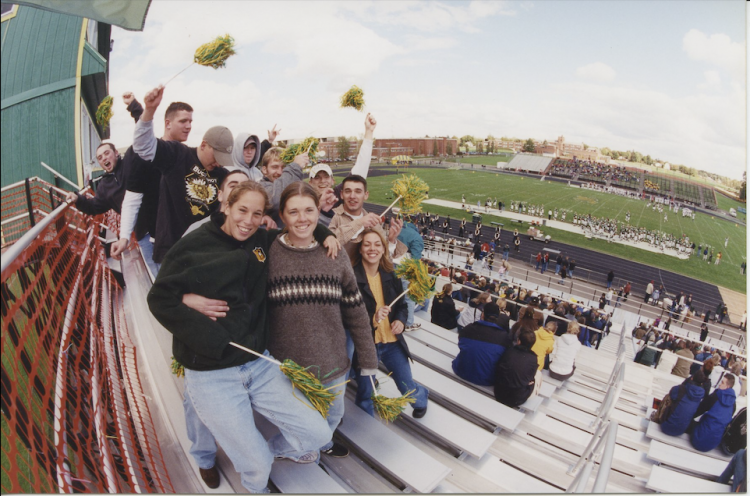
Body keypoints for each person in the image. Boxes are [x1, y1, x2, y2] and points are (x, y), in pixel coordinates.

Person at [147, 181, 338, 492]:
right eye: (242, 211)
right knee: (257, 466)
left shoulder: (261, 239)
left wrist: (325, 233)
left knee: (318, 434)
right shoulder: (192, 245)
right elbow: (159, 298)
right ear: (226, 206)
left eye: (257, 214)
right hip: (211, 372)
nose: (248, 221)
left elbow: (299, 229)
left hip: (259, 365)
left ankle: (268, 450)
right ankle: (251, 480)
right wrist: (208, 331)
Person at [266, 182, 379, 458]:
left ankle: (314, 444)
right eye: (293, 212)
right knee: (299, 423)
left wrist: (367, 360)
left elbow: (356, 311)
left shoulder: (334, 253)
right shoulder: (268, 254)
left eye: (309, 210)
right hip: (287, 368)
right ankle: (277, 451)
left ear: (319, 212)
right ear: (282, 215)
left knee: (330, 419)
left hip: (333, 363)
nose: (302, 218)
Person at [131, 85, 231, 265]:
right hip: (172, 254)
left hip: (202, 254)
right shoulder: (178, 154)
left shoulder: (223, 175)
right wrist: (149, 110)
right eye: (216, 156)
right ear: (203, 145)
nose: (219, 163)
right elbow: (143, 146)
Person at [111, 98, 195, 275]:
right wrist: (124, 237)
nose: (188, 126)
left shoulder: (185, 154)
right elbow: (132, 197)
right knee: (165, 288)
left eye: (190, 121)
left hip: (179, 236)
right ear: (168, 123)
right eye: (183, 121)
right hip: (152, 238)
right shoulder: (142, 154)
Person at [352, 228, 429, 418]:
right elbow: (347, 317)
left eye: (377, 244)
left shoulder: (391, 274)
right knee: (366, 393)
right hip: (367, 346)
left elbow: (402, 307)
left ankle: (422, 398)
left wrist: (400, 322)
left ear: (383, 249)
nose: (372, 248)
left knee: (407, 388)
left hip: (392, 343)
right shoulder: (351, 278)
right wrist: (373, 318)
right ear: (360, 249)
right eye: (367, 244)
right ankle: (365, 427)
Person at [309, 114, 377, 226]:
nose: (322, 181)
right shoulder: (305, 199)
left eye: (326, 177)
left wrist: (369, 132)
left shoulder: (336, 195)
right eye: (317, 177)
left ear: (332, 181)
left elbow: (360, 169)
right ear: (310, 182)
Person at [328, 175, 407, 261]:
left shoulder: (373, 223)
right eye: (348, 191)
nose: (352, 196)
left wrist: (391, 240)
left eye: (358, 191)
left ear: (366, 195)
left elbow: (384, 259)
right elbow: (327, 245)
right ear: (341, 195)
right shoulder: (331, 215)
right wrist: (360, 223)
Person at [452, 302, 512, 386]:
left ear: (483, 315)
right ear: (497, 317)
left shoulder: (468, 328)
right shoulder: (504, 337)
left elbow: (462, 344)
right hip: (487, 379)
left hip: (461, 370)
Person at [690, 374, 737, 452]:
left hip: (698, 439)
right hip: (713, 443)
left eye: (722, 382)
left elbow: (699, 410)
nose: (719, 384)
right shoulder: (733, 403)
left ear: (728, 386)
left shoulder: (715, 396)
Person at [494, 327, 539, 407]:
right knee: (536, 378)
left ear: (519, 341)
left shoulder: (509, 351)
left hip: (499, 392)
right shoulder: (533, 358)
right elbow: (530, 378)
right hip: (517, 398)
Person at [396, 215, 425, 331]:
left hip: (389, 265)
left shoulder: (397, 229)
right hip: (404, 268)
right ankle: (408, 323)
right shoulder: (416, 236)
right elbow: (416, 260)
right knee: (408, 296)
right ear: (416, 221)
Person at [657, 370, 706, 436]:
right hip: (680, 431)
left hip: (666, 426)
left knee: (668, 397)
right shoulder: (700, 395)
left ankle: (657, 416)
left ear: (692, 378)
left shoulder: (681, 388)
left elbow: (672, 392)